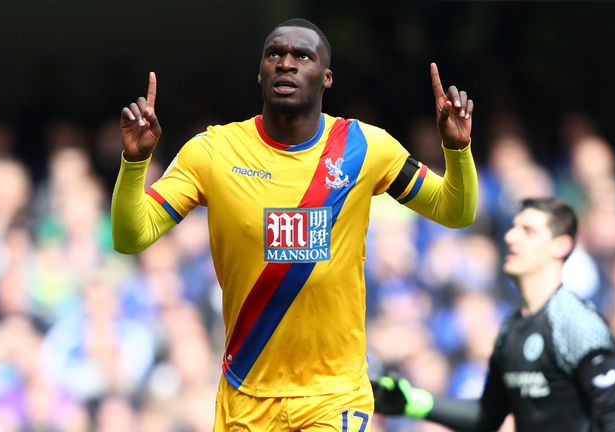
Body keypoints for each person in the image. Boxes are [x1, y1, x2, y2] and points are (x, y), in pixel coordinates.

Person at [111, 18, 478, 431]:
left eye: (302, 56)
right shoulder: (212, 152)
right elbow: (130, 236)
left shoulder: (365, 147)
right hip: (247, 393)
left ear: (327, 77)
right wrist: (135, 162)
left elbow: (455, 211)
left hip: (334, 392)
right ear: (260, 72)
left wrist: (457, 148)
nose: (286, 64)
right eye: (275, 54)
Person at [373, 197, 615, 431]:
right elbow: (486, 416)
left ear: (561, 246)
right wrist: (412, 402)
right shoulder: (512, 327)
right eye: (513, 228)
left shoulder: (578, 323)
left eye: (528, 231)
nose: (511, 237)